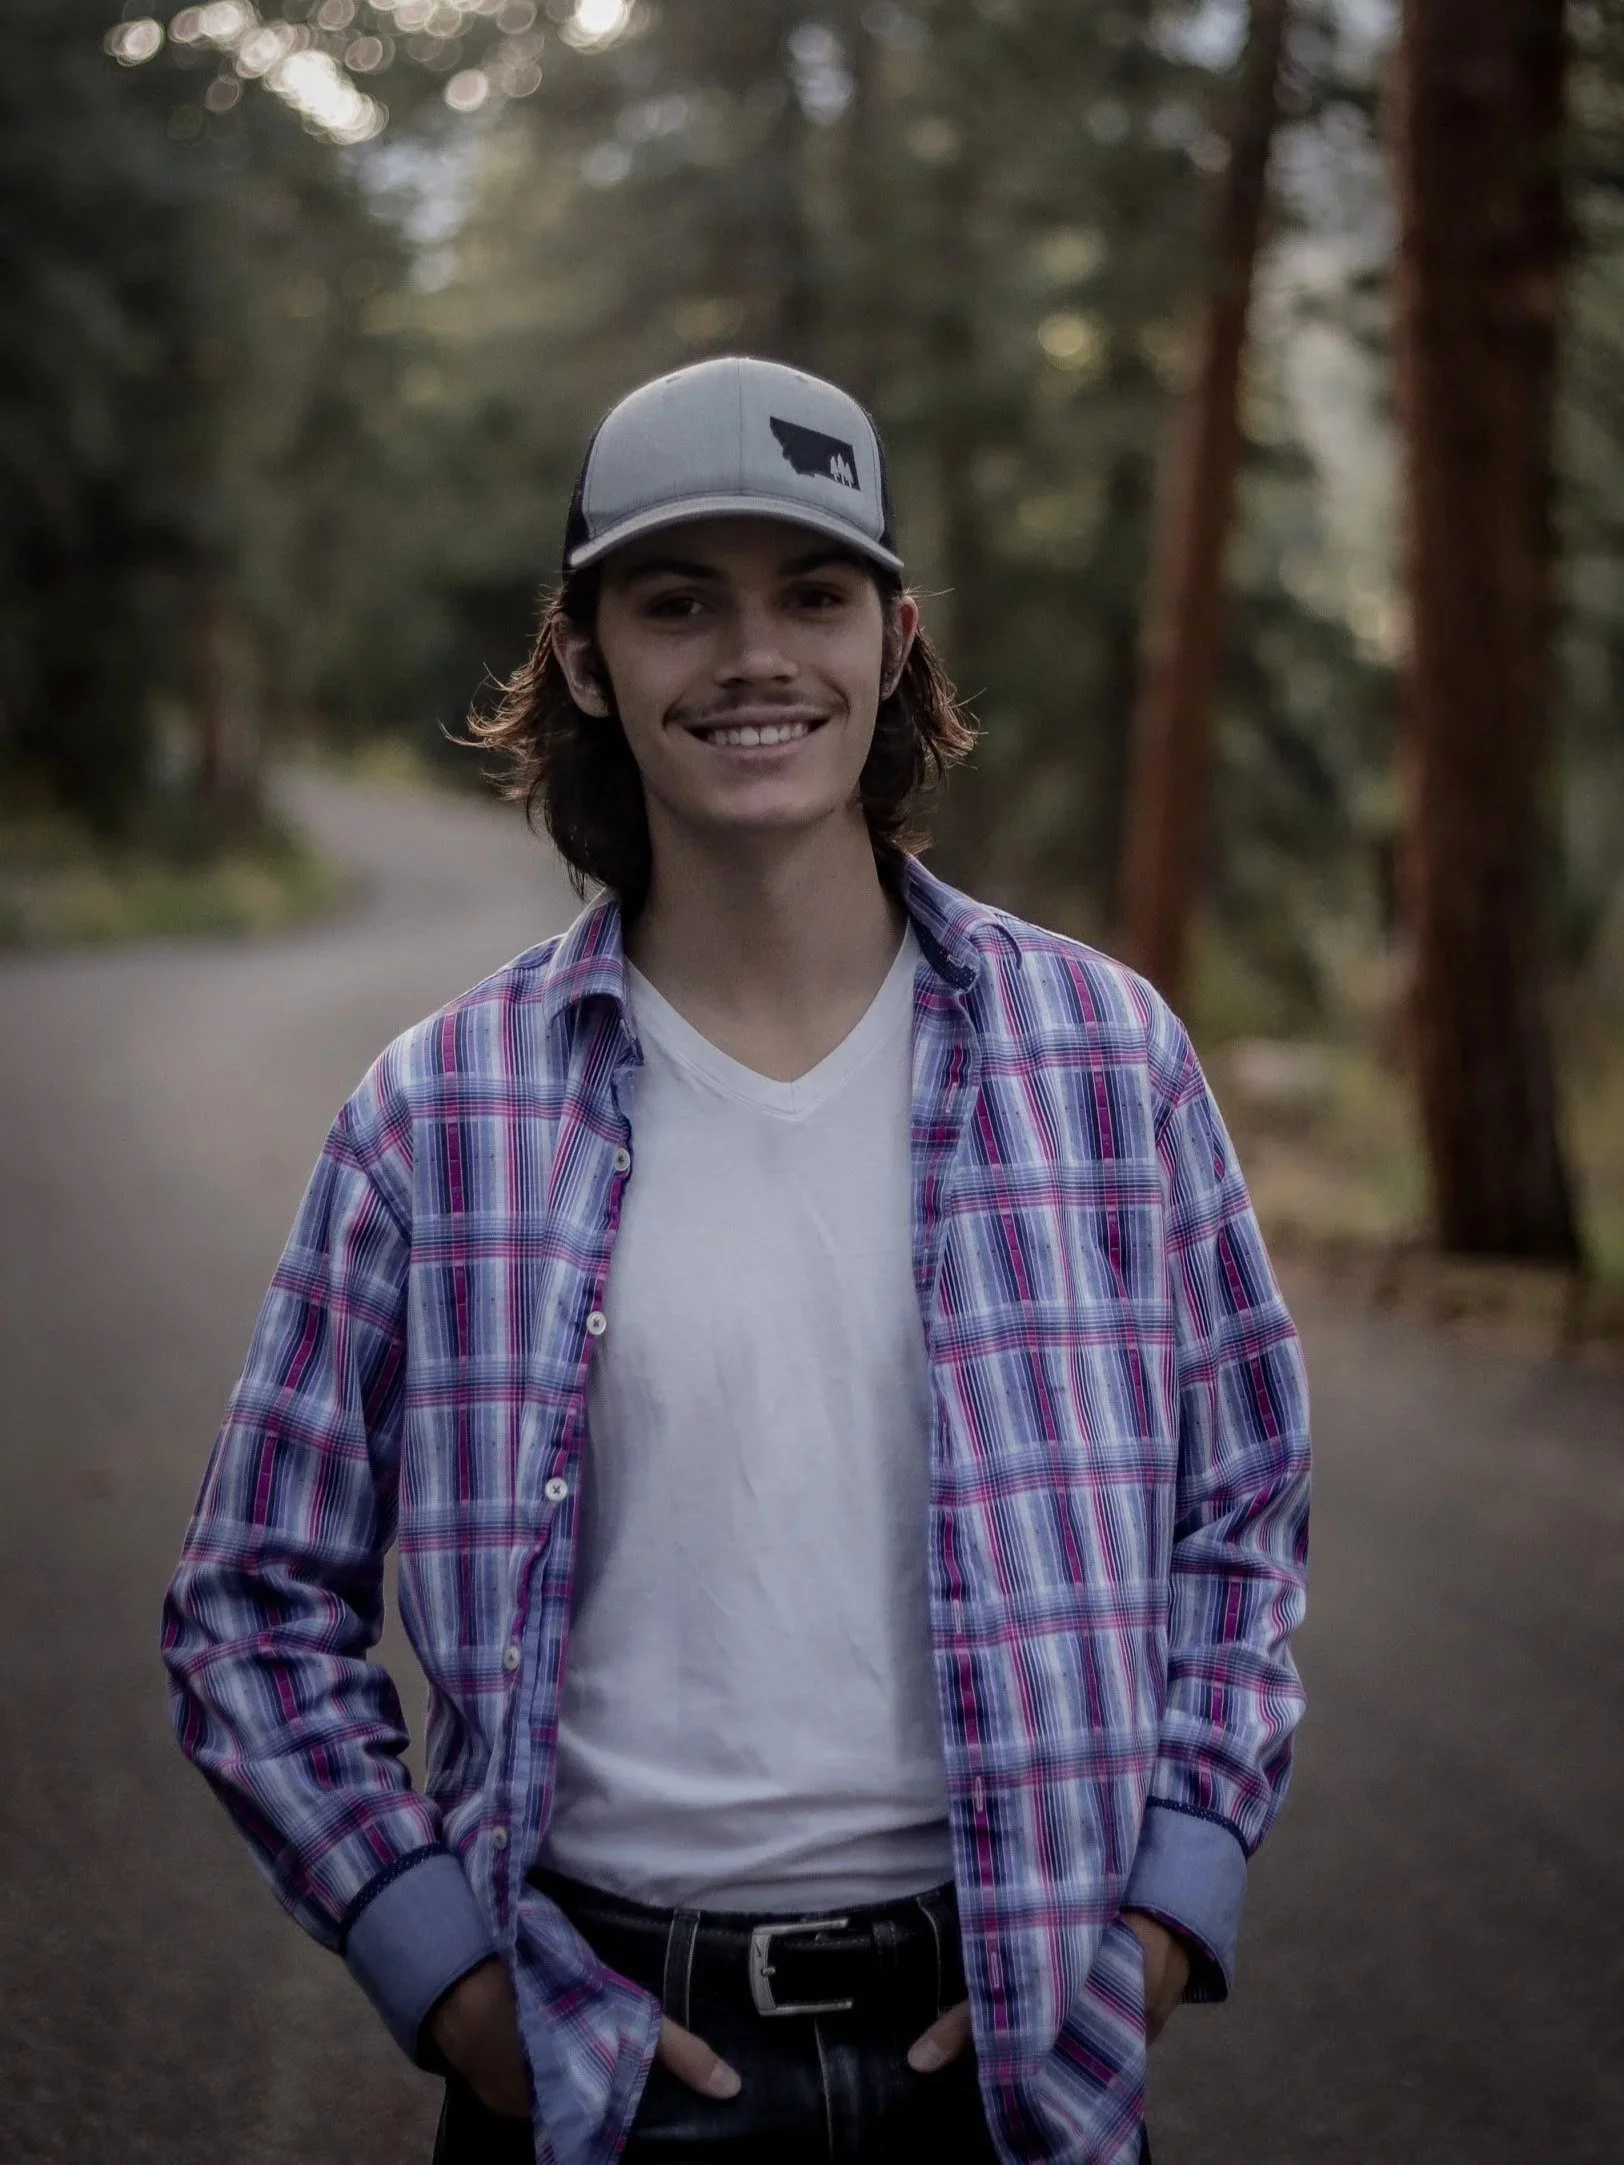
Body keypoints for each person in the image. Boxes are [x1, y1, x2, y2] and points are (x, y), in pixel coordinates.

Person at [163, 356, 1310, 2165]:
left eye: (813, 594)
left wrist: (1164, 1913)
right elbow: (251, 1599)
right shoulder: (441, 1115)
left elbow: (1241, 1519)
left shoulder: (1107, 1062)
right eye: (680, 600)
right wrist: (446, 1976)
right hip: (600, 2069)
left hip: (1015, 2063)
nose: (754, 655)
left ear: (895, 640)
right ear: (594, 659)